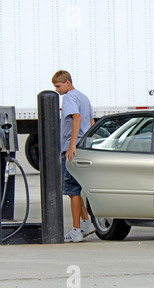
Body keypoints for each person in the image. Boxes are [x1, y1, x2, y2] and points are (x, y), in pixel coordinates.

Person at [52, 70, 96, 243]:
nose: (56, 90)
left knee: (72, 189)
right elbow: (91, 122)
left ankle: (76, 230)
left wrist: (71, 145)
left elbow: (76, 118)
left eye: (58, 86)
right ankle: (86, 223)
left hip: (72, 149)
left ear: (68, 83)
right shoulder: (84, 97)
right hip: (84, 147)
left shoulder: (69, 97)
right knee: (75, 189)